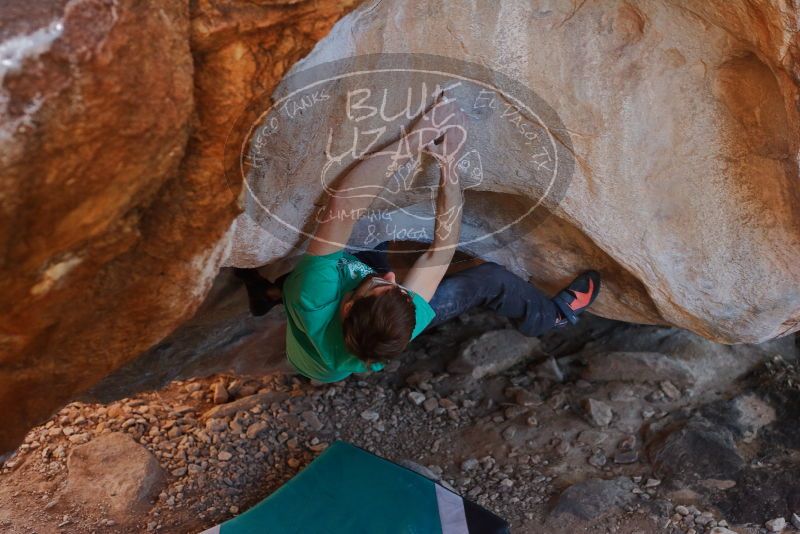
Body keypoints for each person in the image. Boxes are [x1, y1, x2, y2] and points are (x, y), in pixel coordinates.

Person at [235, 91, 601, 383]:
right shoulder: (409, 316)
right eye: (395, 289)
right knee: (487, 280)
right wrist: (449, 164)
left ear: (346, 307)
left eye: (383, 287)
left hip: (319, 354)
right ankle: (548, 317)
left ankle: (269, 293)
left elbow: (344, 204)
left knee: (343, 258)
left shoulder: (316, 294)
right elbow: (440, 250)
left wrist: (419, 140)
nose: (394, 277)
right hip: (330, 336)